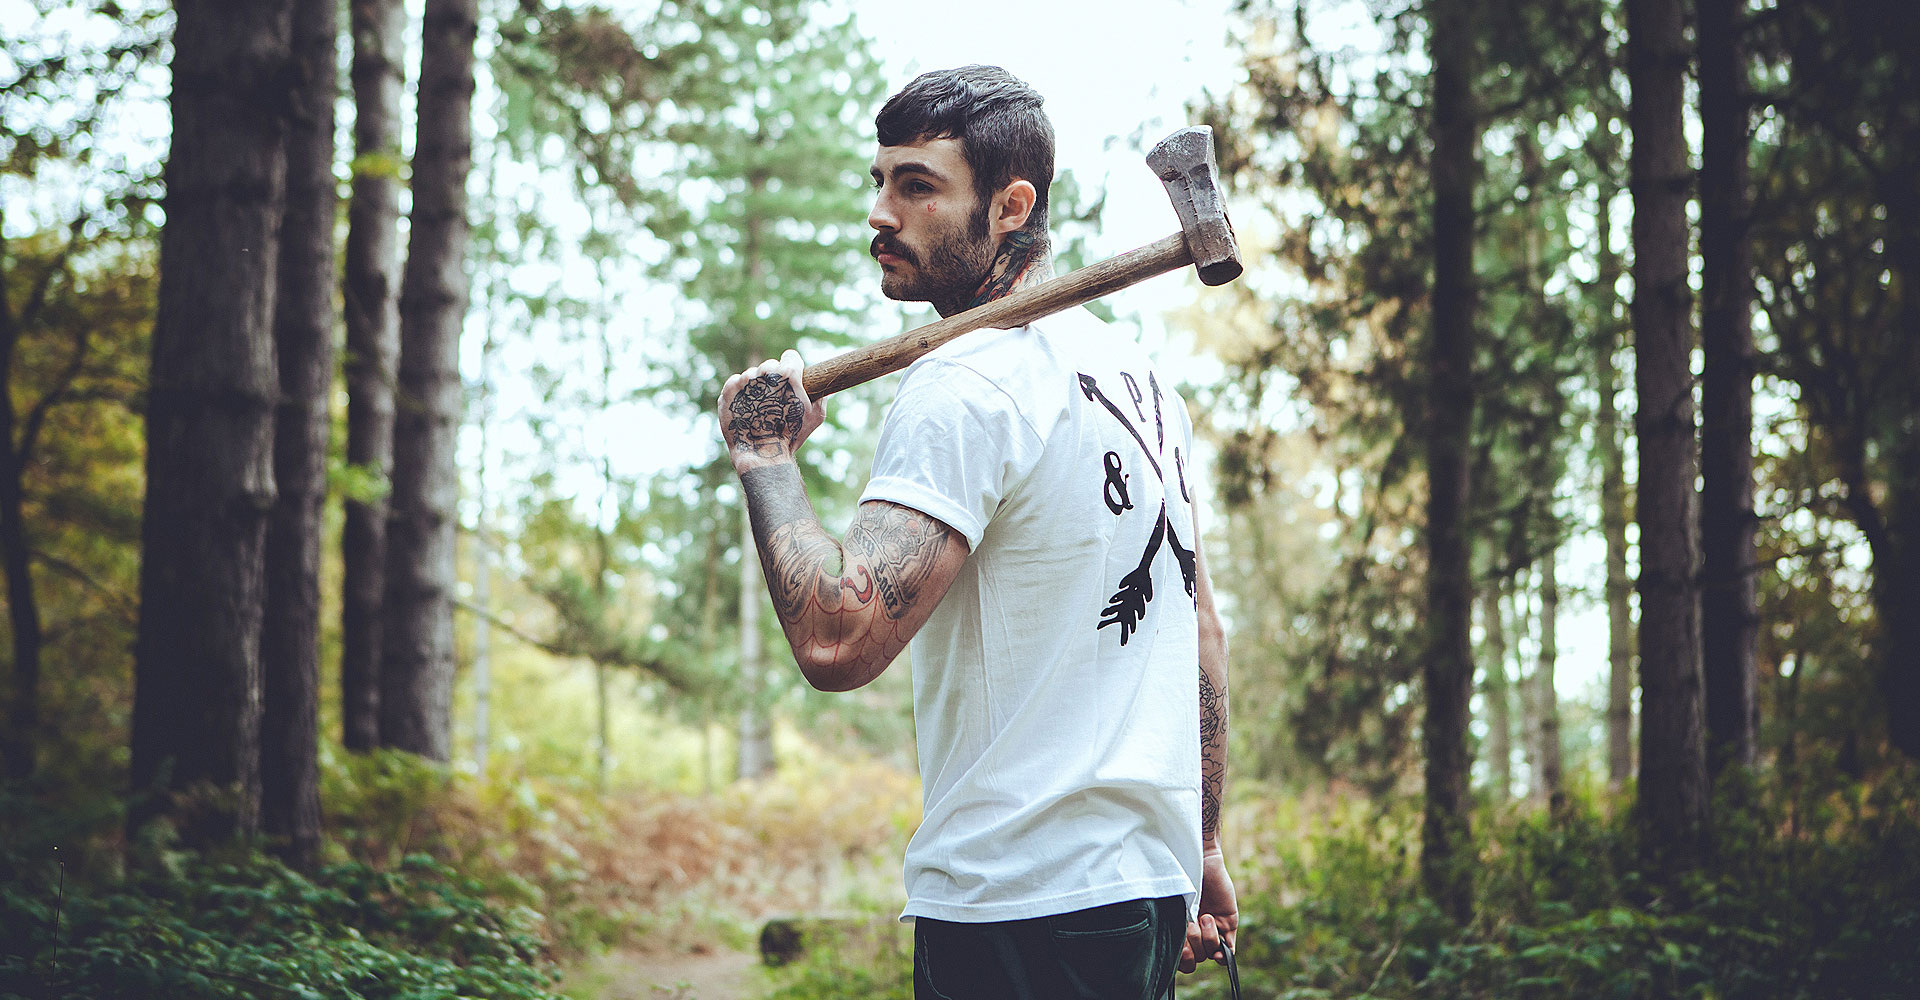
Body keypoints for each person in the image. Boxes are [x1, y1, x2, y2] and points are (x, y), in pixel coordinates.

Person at [716, 64, 1236, 999]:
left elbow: (838, 637)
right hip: (1140, 891)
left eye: (917, 185)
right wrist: (1199, 844)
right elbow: (1200, 632)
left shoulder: (965, 384)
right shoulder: (1145, 384)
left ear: (1010, 206)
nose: (880, 213)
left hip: (1018, 905)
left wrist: (765, 458)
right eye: (879, 181)